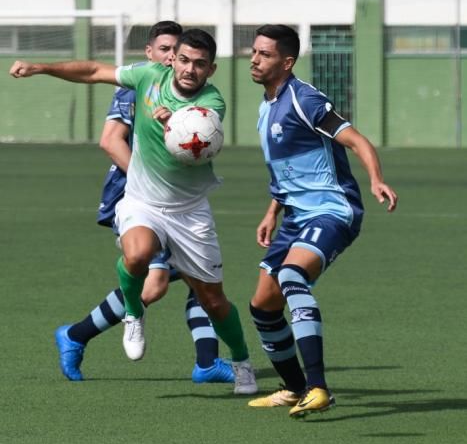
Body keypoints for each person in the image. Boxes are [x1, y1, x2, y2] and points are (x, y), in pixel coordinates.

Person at [10, 28, 258, 395]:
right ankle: (133, 313)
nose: (190, 69)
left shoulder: (212, 104)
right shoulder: (146, 76)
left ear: (212, 69)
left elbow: (193, 133)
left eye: (200, 64)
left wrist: (170, 121)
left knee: (213, 300)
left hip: (189, 212)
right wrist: (41, 67)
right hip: (142, 200)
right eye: (184, 60)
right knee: (138, 256)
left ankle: (241, 362)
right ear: (172, 59)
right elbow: (94, 71)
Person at [53, 21, 234, 384]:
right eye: (165, 50)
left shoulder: (191, 93)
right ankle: (76, 335)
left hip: (176, 197)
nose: (173, 59)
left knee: (201, 277)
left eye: (176, 51)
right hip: (139, 195)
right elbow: (110, 140)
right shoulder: (135, 88)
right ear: (149, 53)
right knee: (155, 284)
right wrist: (147, 171)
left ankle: (207, 360)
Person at [245, 24, 398, 417]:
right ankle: (295, 388)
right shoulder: (266, 106)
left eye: (265, 54)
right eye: (254, 51)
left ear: (287, 61)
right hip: (296, 216)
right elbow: (286, 170)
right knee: (263, 305)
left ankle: (319, 388)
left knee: (292, 276)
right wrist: (271, 211)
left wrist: (376, 179)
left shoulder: (305, 100)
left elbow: (357, 140)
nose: (255, 58)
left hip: (333, 209)